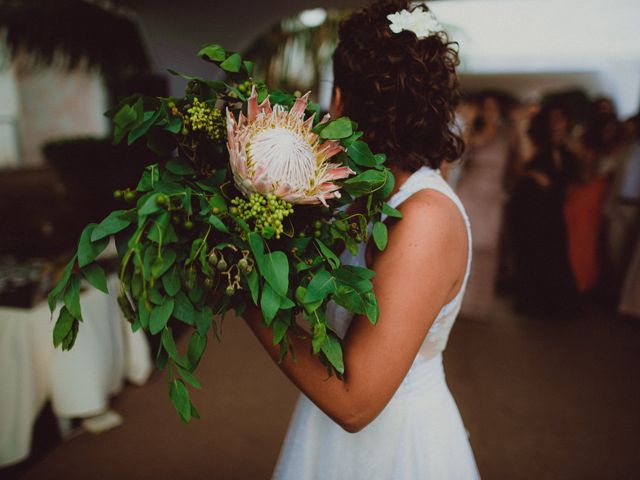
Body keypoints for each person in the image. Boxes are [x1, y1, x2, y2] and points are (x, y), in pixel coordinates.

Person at [243, 1, 479, 478]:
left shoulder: (424, 218)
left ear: (341, 100)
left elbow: (355, 404)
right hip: (325, 427)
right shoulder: (360, 194)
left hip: (397, 445)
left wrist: (246, 295)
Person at [508, 104, 581, 316]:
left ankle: (555, 304)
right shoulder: (536, 141)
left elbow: (580, 174)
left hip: (554, 207)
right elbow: (520, 166)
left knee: (556, 251)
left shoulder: (570, 146)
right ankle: (533, 303)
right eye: (553, 118)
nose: (557, 123)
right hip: (531, 206)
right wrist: (533, 175)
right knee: (532, 251)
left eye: (561, 118)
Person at [456, 92, 515, 319]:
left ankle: (479, 303)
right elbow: (462, 151)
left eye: (493, 108)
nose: (489, 112)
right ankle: (459, 301)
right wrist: (470, 123)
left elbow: (517, 162)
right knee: (467, 244)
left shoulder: (507, 135)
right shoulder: (476, 132)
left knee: (488, 249)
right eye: (486, 107)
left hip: (493, 195)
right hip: (470, 191)